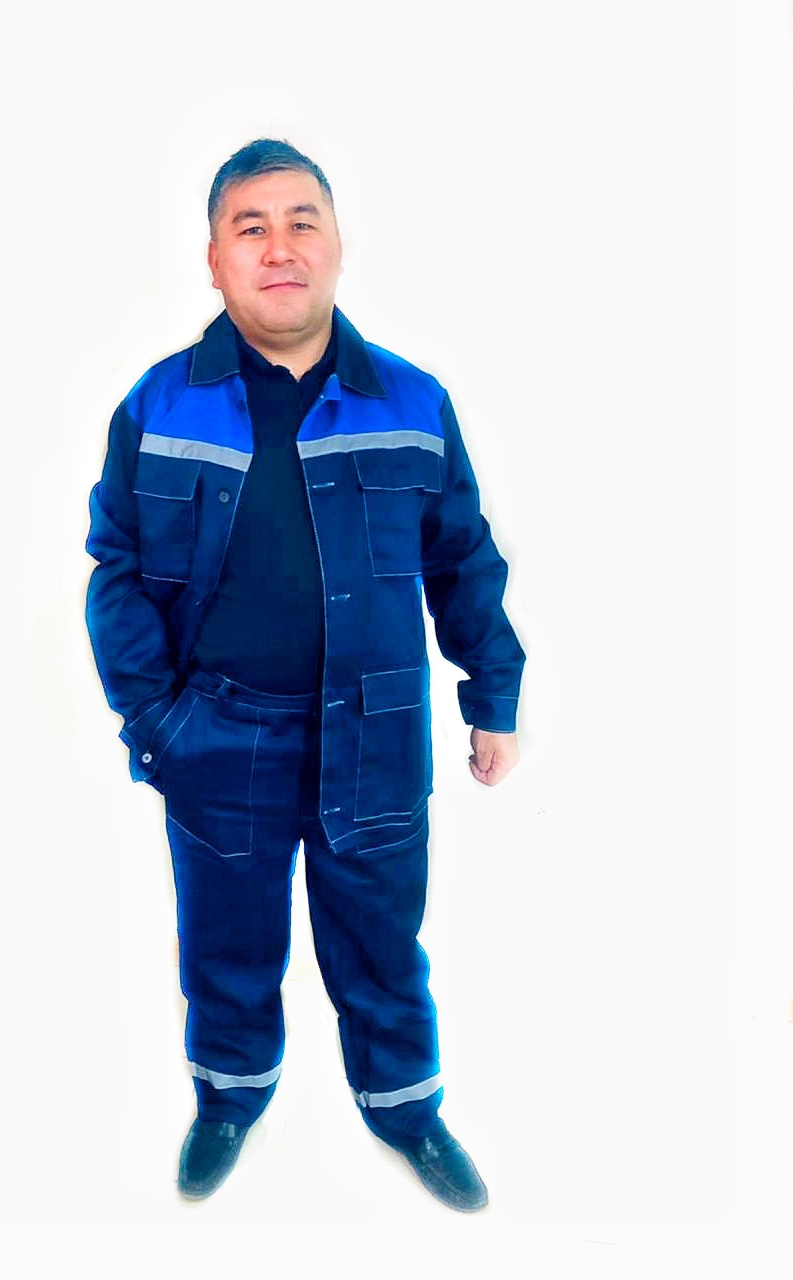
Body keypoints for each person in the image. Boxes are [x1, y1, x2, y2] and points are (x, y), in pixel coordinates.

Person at [85, 139, 525, 1212]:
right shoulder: (159, 405)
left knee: (381, 947)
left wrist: (492, 695)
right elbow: (116, 570)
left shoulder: (411, 400)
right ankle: (229, 1098)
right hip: (216, 738)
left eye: (301, 222)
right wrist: (157, 721)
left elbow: (462, 559)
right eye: (251, 227)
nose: (278, 247)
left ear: (335, 244)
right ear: (214, 259)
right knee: (225, 945)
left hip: (375, 735)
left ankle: (405, 1112)